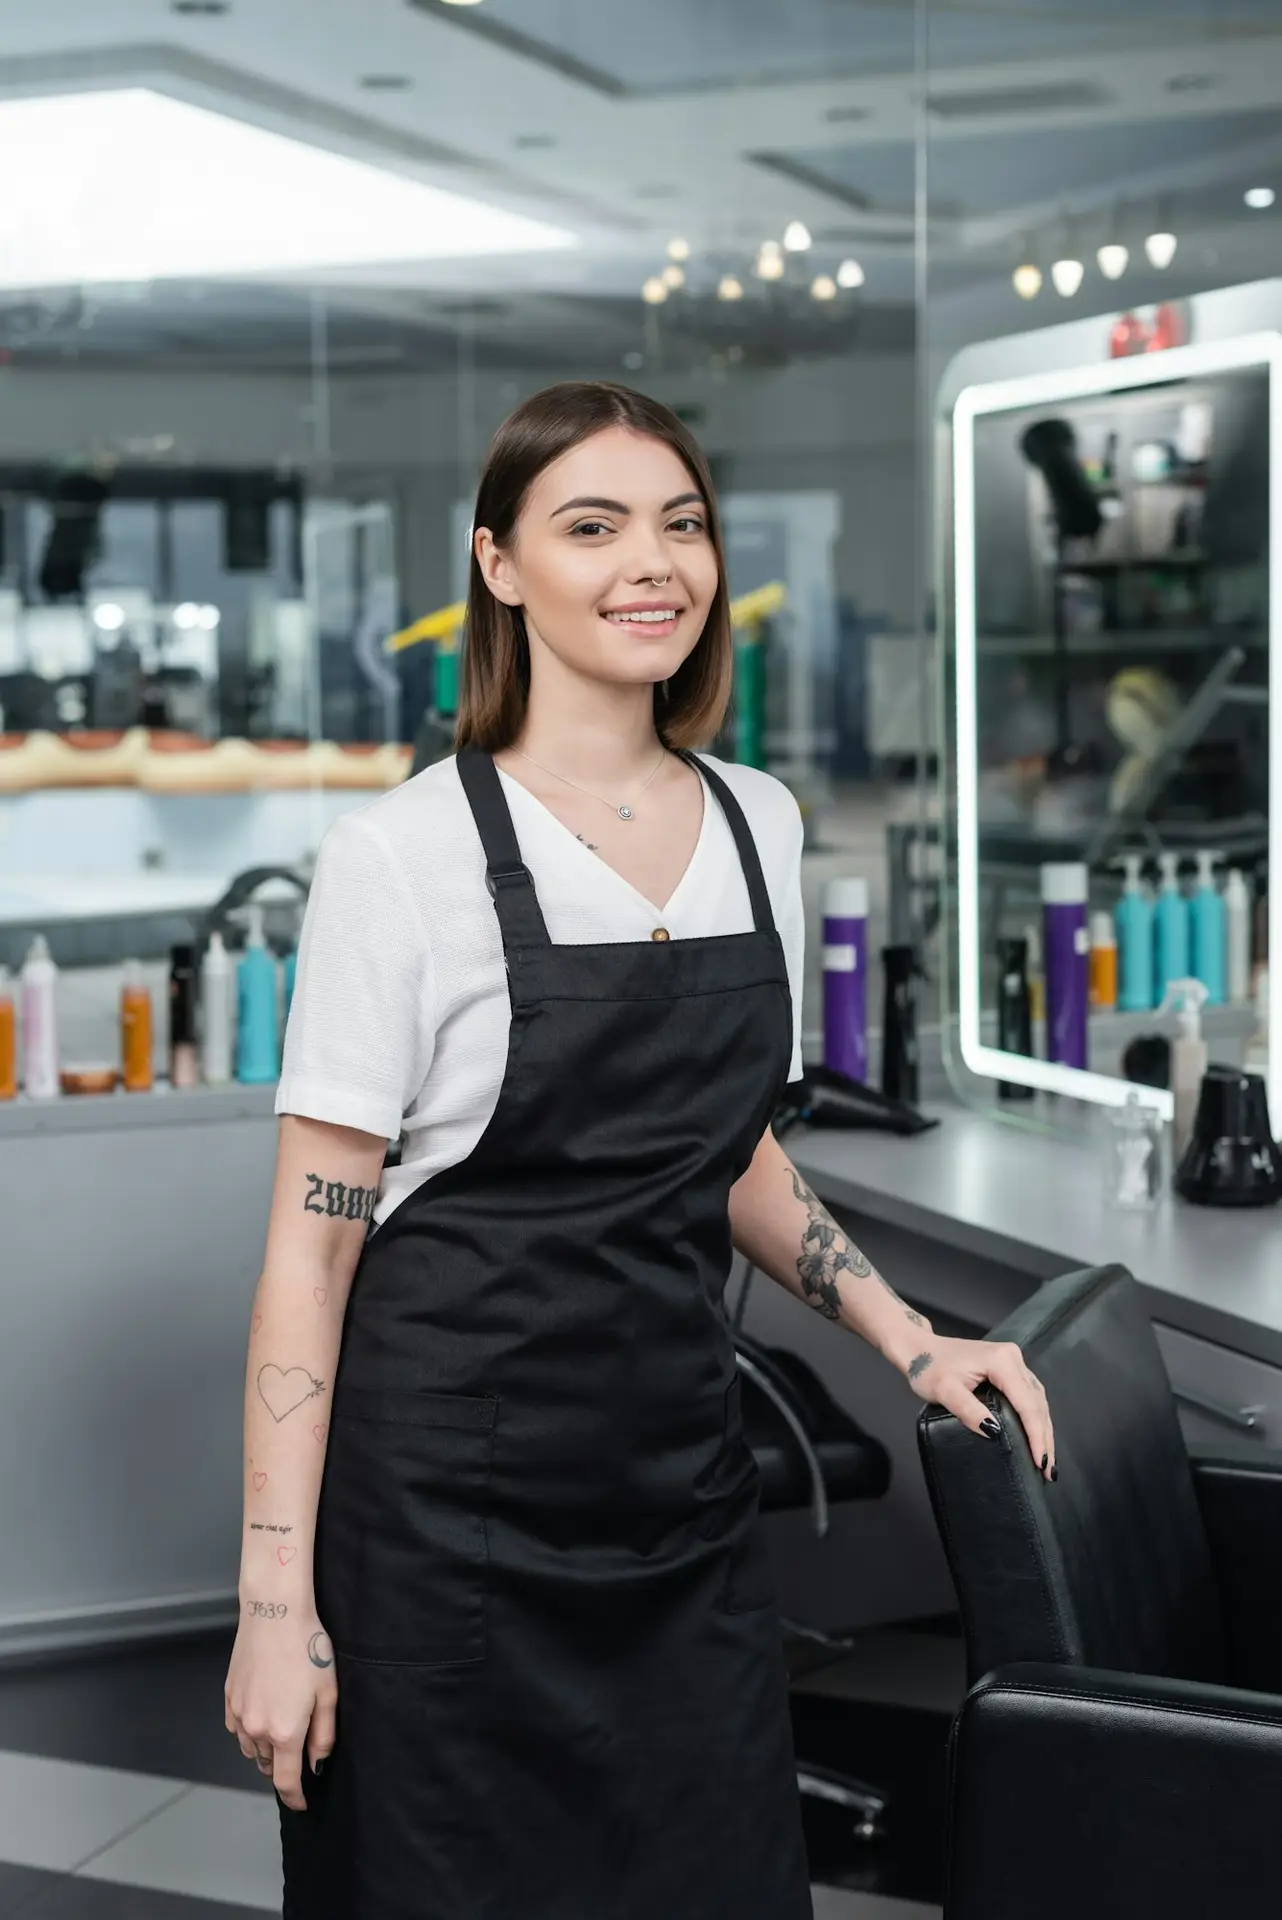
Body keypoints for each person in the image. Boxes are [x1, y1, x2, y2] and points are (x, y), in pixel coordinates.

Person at [224, 381, 1056, 1919]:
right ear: (498, 565)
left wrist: (912, 1338)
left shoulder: (758, 823)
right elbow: (311, 1248)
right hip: (443, 1526)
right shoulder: (402, 856)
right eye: (590, 525)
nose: (649, 562)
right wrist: (276, 1605)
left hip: (674, 1504)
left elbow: (727, 1156)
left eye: (679, 524)